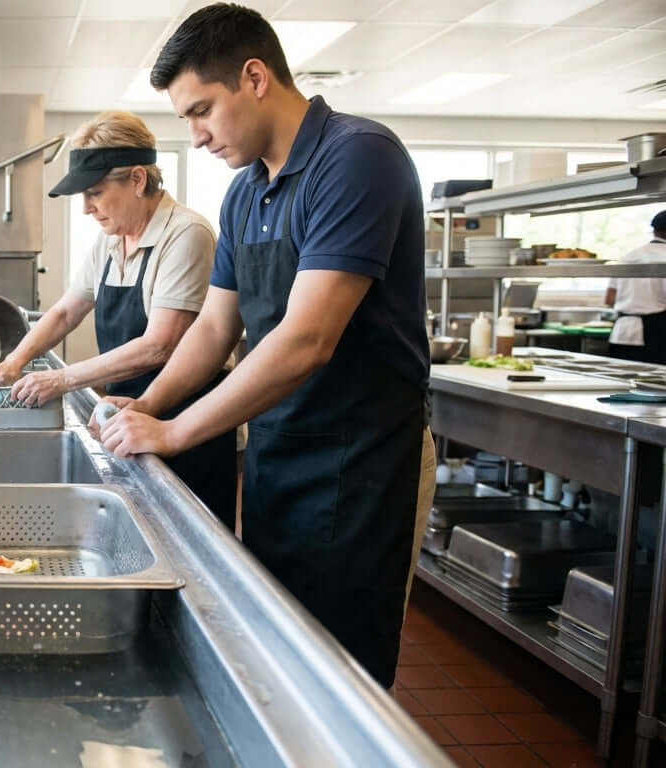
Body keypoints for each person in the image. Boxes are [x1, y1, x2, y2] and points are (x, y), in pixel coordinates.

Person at [93, 3, 435, 689]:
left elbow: (307, 339)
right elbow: (216, 329)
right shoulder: (245, 194)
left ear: (254, 77)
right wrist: (146, 407)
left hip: (362, 457)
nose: (194, 138)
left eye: (201, 111)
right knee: (284, 647)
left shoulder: (357, 157)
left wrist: (177, 431)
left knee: (344, 671)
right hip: (283, 449)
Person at [0, 110, 238, 527]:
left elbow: (160, 344)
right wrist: (14, 362)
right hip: (128, 415)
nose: (86, 209)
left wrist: (61, 379)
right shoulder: (110, 239)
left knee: (189, 541)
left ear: (137, 180)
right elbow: (65, 312)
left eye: (95, 192)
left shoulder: (186, 235)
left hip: (185, 423)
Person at [605, 210, 666, 363]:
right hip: (655, 332)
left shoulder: (628, 256)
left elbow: (609, 298)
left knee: (619, 378)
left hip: (622, 332)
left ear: (654, 230)